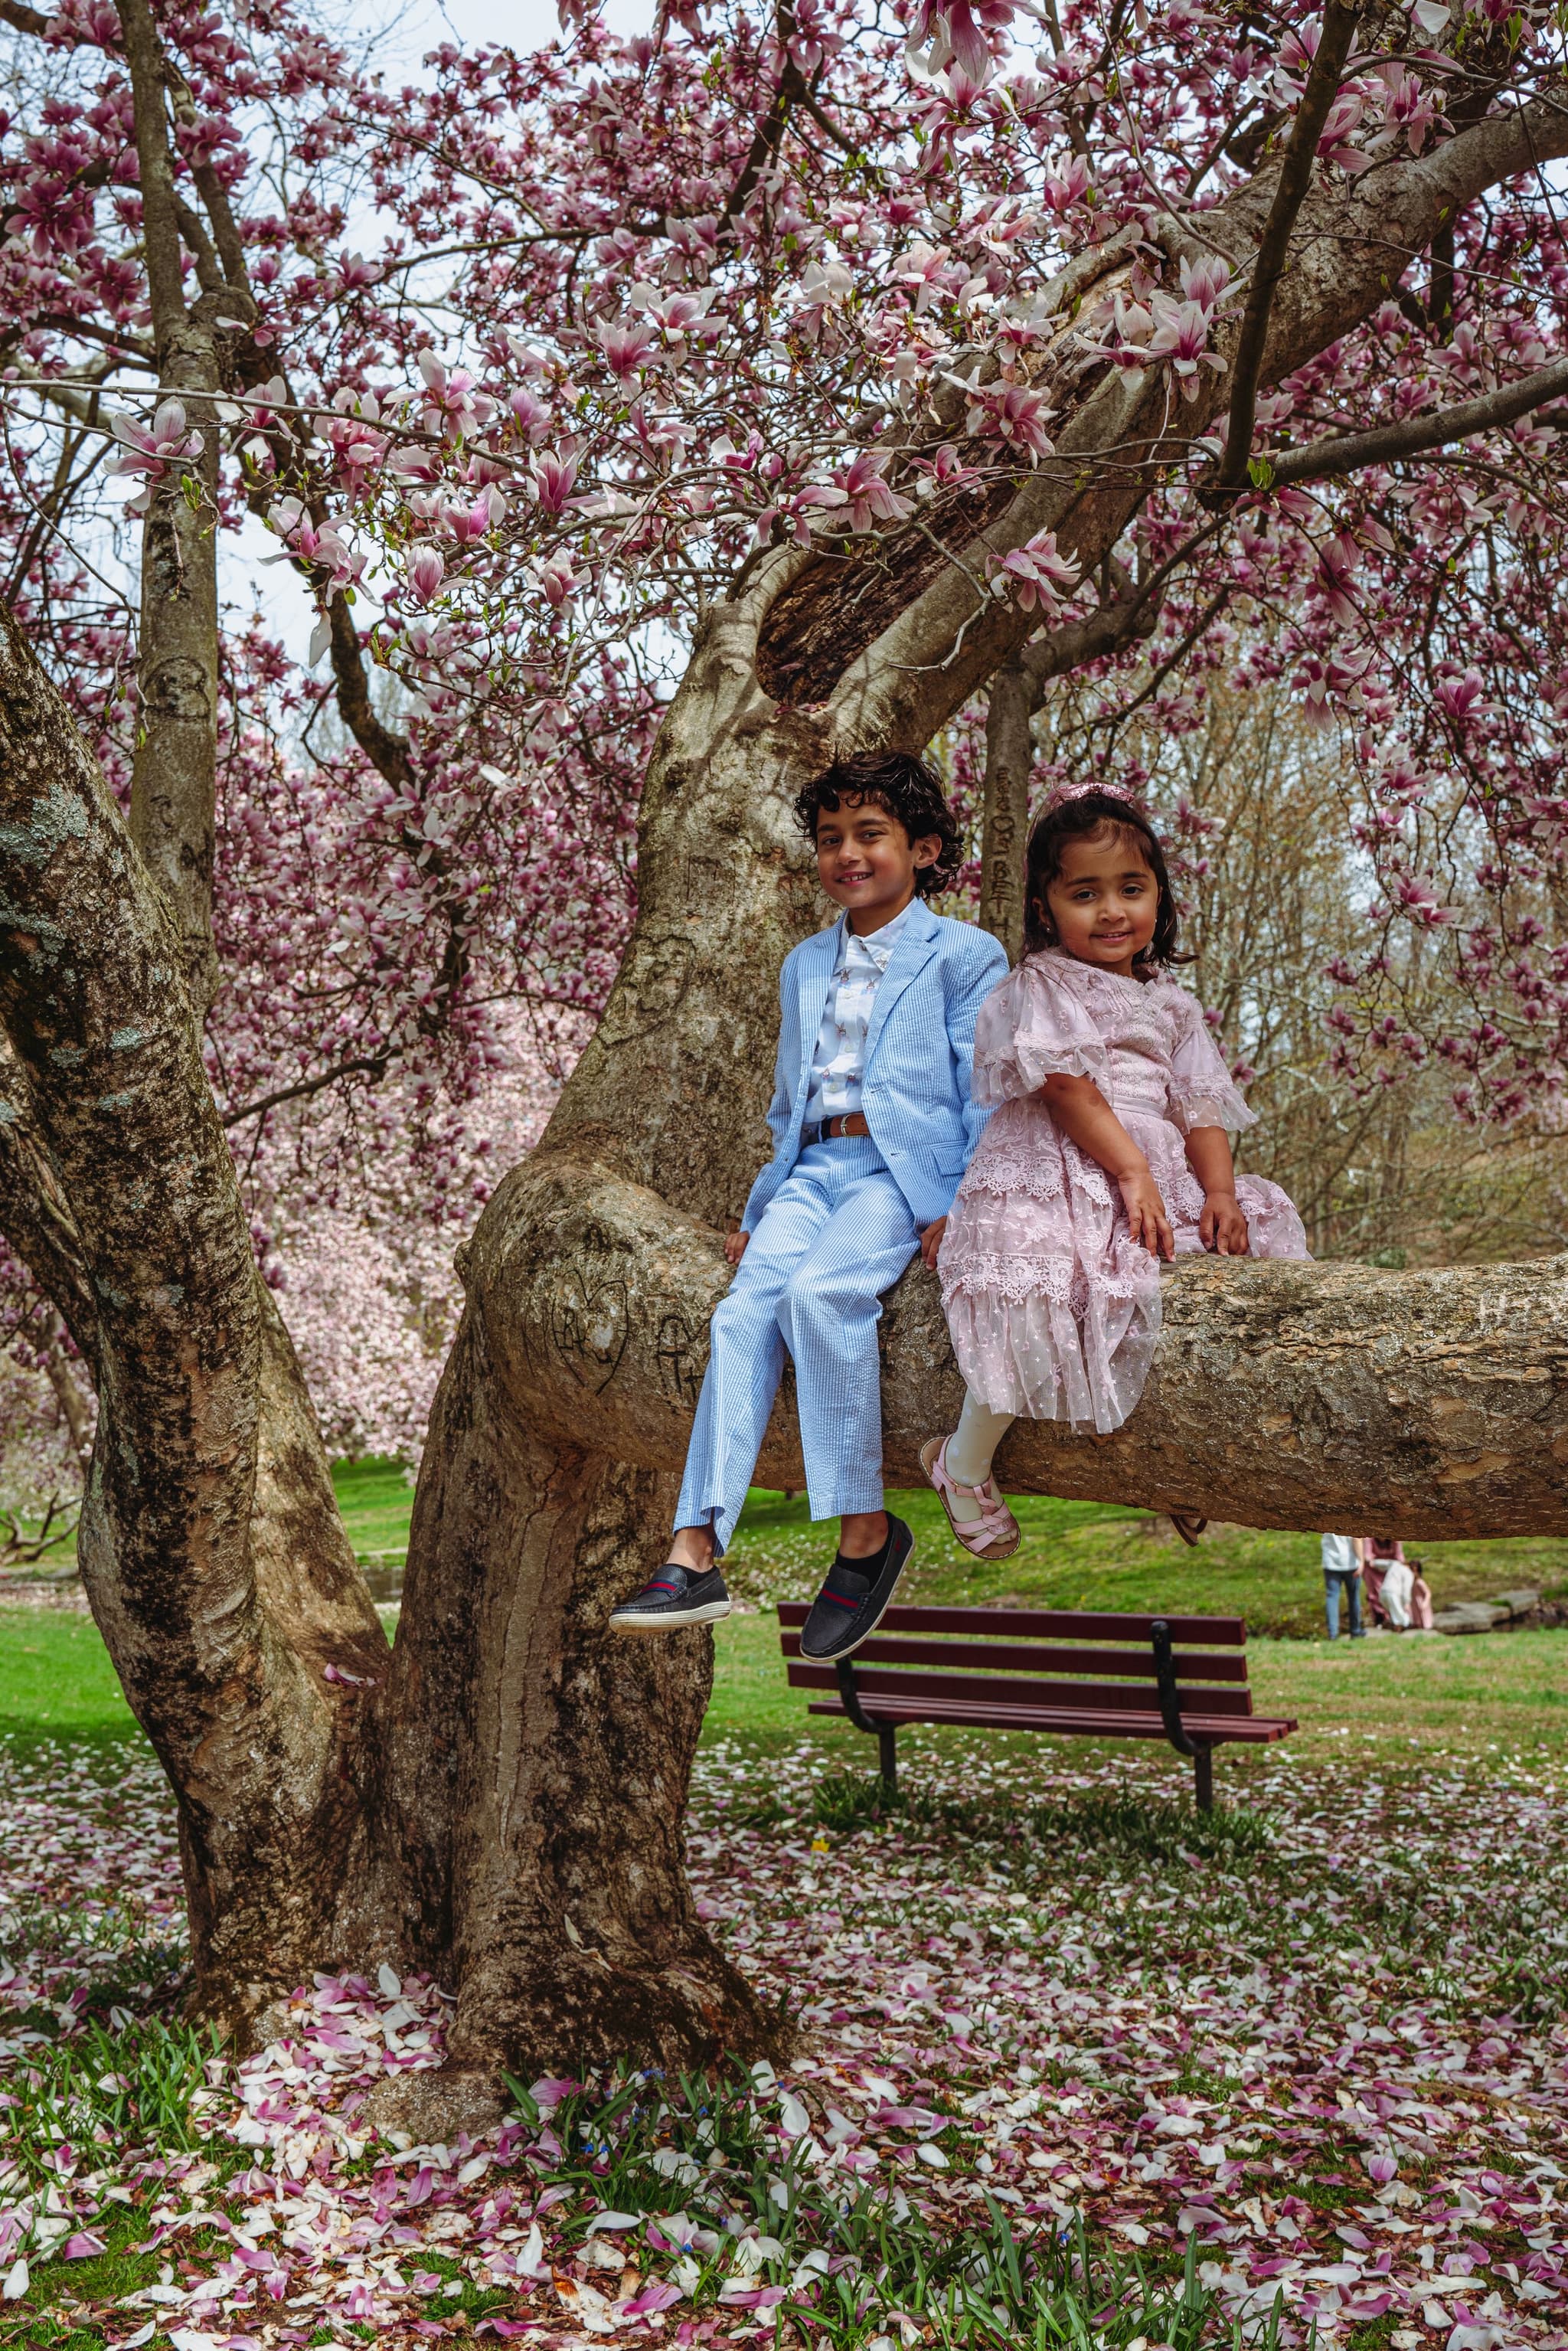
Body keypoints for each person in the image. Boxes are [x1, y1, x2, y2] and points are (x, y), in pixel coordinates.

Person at [609, 750, 1008, 1659]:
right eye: (830, 839)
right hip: (811, 1173)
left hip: (896, 1175)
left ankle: (864, 1535)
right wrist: (760, 1208)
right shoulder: (803, 963)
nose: (846, 854)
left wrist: (962, 1202)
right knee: (743, 1311)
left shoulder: (962, 955)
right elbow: (788, 1103)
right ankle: (695, 1548)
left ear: (924, 848)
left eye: (870, 835)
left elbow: (980, 1087)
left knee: (820, 1296)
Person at [920, 781, 1308, 1556]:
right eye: (1084, 892)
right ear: (1044, 906)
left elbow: (1197, 1107)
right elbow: (1064, 1088)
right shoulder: (1039, 985)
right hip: (1059, 1160)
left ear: (1158, 896)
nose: (1110, 911)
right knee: (1034, 1290)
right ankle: (960, 1462)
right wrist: (1130, 1173)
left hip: (1149, 1165)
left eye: (1130, 888)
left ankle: (1180, 1467)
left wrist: (1220, 1192)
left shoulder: (1171, 1004)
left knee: (1218, 1269)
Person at [1321, 1532, 1366, 1640]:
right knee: (1353, 1597)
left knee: (1332, 1597)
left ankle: (1333, 1633)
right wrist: (1361, 1561)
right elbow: (1356, 1538)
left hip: (1331, 1562)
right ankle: (1355, 1631)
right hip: (1350, 1563)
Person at [1367, 1535, 1413, 1630]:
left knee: (1393, 1612)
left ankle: (1392, 1625)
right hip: (1393, 1593)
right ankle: (1405, 1626)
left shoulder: (1395, 1564)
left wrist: (1374, 1563)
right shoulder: (1409, 1573)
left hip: (1383, 1592)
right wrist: (1407, 1602)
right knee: (1400, 1613)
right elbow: (1406, 1590)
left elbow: (1385, 1563)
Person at [1410, 1562, 1435, 1631]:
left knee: (1424, 1617)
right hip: (1415, 1603)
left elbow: (1428, 1593)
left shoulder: (1420, 1582)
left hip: (1421, 1603)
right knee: (1417, 1617)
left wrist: (1425, 1602)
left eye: (1415, 1571)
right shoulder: (1412, 1582)